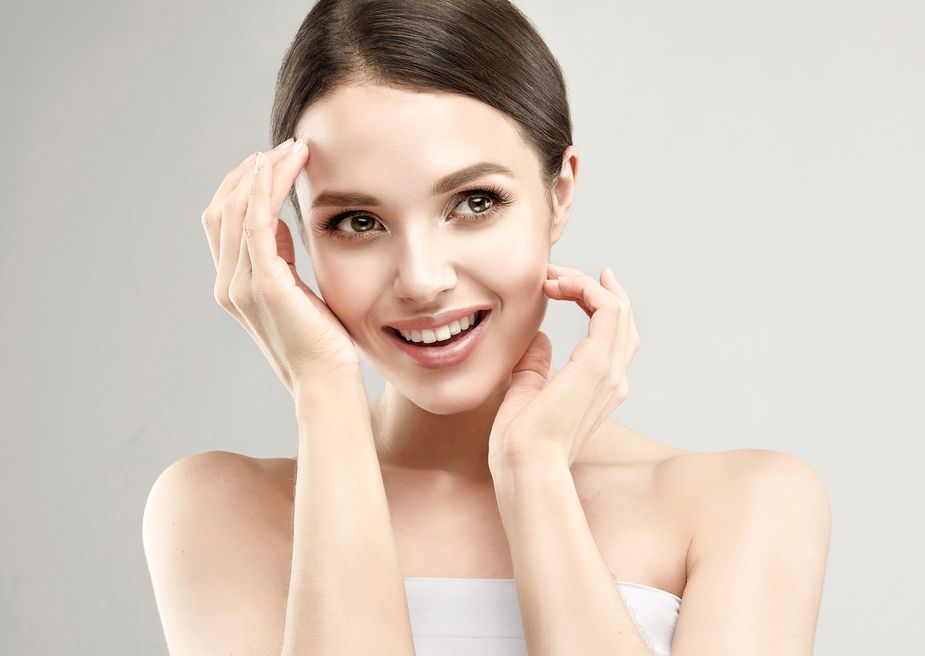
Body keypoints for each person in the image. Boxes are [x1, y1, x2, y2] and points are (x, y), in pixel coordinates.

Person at [142, 1, 832, 654]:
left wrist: (535, 478)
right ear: (290, 235)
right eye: (357, 221)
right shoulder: (218, 512)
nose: (421, 278)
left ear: (559, 194)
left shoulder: (744, 506)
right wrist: (323, 391)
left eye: (475, 202)